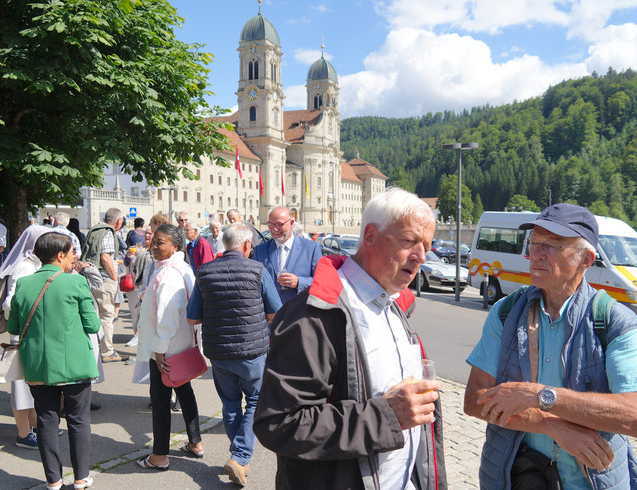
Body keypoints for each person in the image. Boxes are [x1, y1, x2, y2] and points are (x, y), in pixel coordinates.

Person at [253, 188, 446, 489]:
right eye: (409, 241)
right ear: (370, 237)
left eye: (427, 245)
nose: (422, 256)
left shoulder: (395, 304)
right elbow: (278, 424)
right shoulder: (312, 315)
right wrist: (384, 417)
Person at [464, 203, 637, 489]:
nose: (537, 255)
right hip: (514, 476)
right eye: (534, 244)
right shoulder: (506, 312)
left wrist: (542, 396)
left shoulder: (613, 320)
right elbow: (474, 400)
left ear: (586, 259)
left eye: (553, 246)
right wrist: (550, 425)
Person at [187, 222, 282, 486]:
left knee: (230, 405)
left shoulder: (204, 272)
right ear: (247, 245)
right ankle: (240, 457)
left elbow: (192, 318)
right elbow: (275, 311)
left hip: (218, 352)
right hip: (252, 351)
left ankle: (239, 457)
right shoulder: (257, 270)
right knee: (254, 401)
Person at [7, 233, 100, 490]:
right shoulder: (77, 284)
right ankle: (81, 478)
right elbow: (92, 324)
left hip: (38, 364)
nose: (75, 258)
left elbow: (13, 325)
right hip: (75, 365)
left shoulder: (24, 284)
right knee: (78, 421)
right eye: (72, 253)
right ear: (60, 256)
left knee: (46, 421)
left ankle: (54, 480)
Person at [134, 224, 204, 471]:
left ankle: (160, 455)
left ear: (175, 245)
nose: (154, 246)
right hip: (181, 344)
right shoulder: (179, 268)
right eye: (154, 241)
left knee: (161, 399)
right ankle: (195, 442)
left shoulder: (170, 273)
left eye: (160, 242)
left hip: (167, 348)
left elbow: (168, 315)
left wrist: (159, 350)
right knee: (184, 391)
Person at [0, 224, 53, 449]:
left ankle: (35, 426)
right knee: (20, 386)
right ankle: (23, 433)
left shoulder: (34, 264)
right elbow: (10, 303)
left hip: (30, 332)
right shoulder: (25, 266)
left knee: (30, 384)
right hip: (22, 334)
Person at [252, 206, 322, 304]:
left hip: (299, 313)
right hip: (270, 314)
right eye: (271, 225)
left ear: (291, 223)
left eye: (279, 224)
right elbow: (253, 282)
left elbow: (321, 282)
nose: (275, 229)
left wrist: (299, 282)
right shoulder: (260, 250)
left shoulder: (311, 248)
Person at [81, 208, 124, 362]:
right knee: (107, 315)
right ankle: (107, 351)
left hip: (92, 278)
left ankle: (95, 347)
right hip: (104, 279)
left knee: (94, 314)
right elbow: (105, 257)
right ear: (118, 221)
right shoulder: (108, 232)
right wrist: (114, 278)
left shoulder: (95, 230)